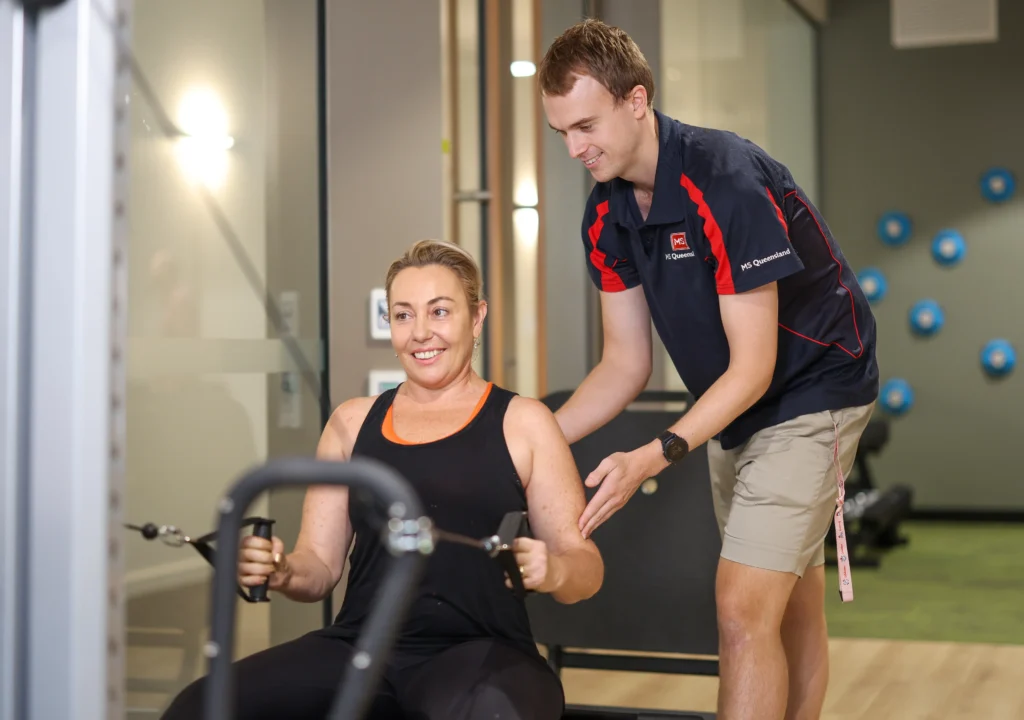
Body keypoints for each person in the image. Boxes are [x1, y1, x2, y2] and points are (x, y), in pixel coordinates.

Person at [538, 19, 878, 720]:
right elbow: (624, 364)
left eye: (585, 125)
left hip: (816, 387)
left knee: (738, 608)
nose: (575, 148)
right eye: (561, 133)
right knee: (786, 602)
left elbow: (754, 367)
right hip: (737, 406)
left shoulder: (723, 179)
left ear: (637, 100)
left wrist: (654, 454)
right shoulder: (604, 216)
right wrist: (527, 435)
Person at [161, 239, 604, 720]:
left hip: (482, 650)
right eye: (403, 315)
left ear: (476, 318)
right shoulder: (351, 423)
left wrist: (554, 570)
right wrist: (283, 570)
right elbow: (320, 568)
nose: (420, 333)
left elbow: (586, 566)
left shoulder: (525, 421)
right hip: (359, 644)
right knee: (199, 707)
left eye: (439, 312)